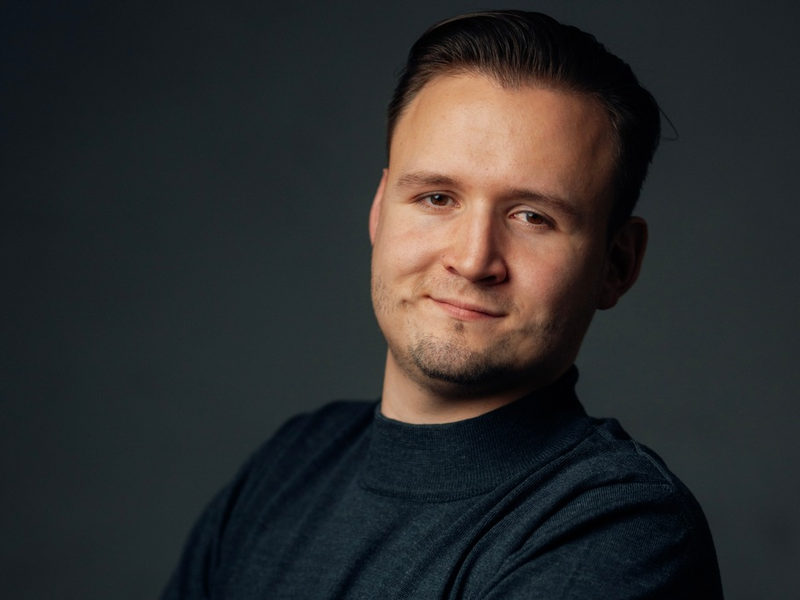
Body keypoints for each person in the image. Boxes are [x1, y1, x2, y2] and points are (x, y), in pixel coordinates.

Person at [162, 10, 723, 599]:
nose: (474, 258)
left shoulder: (619, 530)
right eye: (436, 197)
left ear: (617, 264)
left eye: (533, 216)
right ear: (380, 209)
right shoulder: (291, 464)